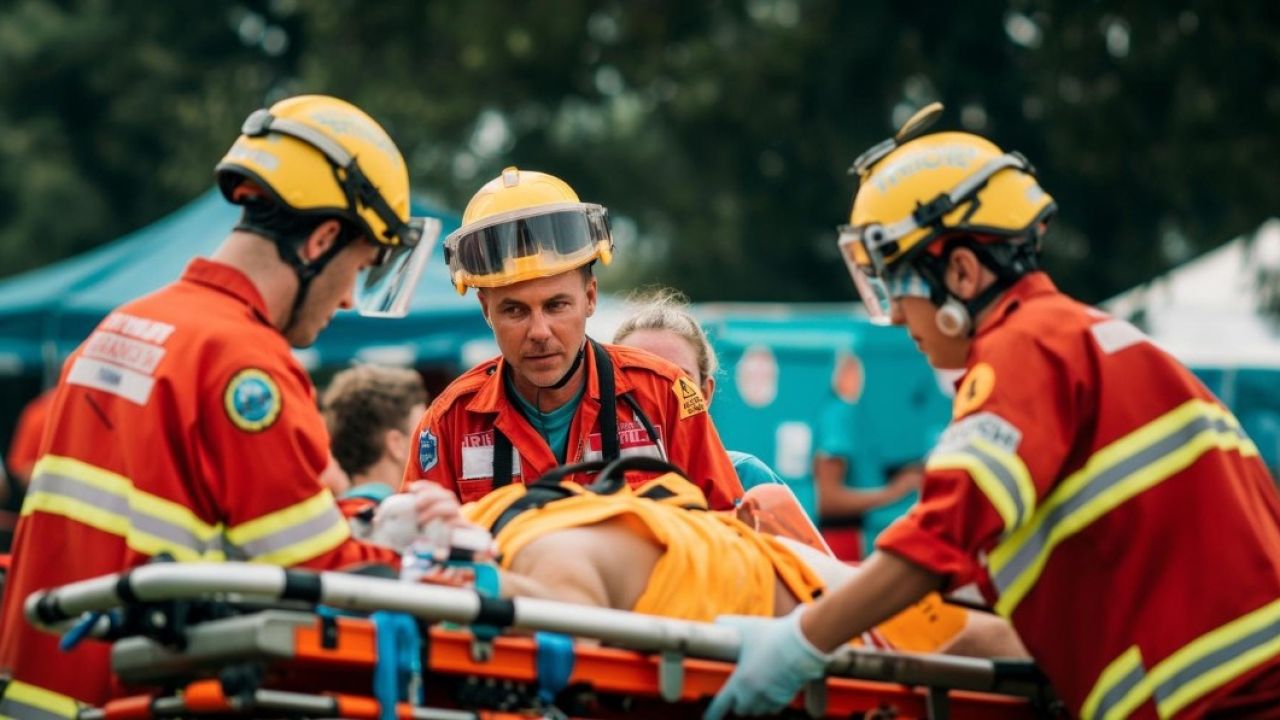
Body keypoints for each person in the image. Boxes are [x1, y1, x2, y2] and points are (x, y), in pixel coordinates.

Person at [708, 104, 1280, 719]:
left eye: (894, 284)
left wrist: (798, 642)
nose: (896, 316)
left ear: (960, 269)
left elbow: (940, 537)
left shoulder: (1023, 349)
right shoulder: (1092, 339)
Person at [0, 95, 443, 718]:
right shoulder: (244, 362)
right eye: (359, 267)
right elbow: (319, 572)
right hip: (131, 698)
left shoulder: (123, 325)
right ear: (321, 240)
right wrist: (443, 562)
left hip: (39, 693)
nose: (347, 302)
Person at [396, 473, 1026, 658]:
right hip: (766, 573)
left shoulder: (523, 542)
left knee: (983, 641)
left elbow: (568, 625)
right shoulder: (507, 528)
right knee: (979, 639)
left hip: (790, 583)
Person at [402, 167, 743, 509]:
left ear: (590, 297)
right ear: (485, 310)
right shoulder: (449, 422)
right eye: (515, 311)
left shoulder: (664, 396)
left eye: (556, 305)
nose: (538, 332)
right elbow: (415, 552)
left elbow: (730, 531)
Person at [612, 286, 783, 491]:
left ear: (705, 393)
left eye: (678, 379)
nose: (656, 394)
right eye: (637, 377)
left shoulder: (745, 478)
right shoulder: (585, 480)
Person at [322, 364, 429, 516]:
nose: (432, 439)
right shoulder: (408, 521)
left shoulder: (332, 516)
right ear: (396, 444)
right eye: (423, 430)